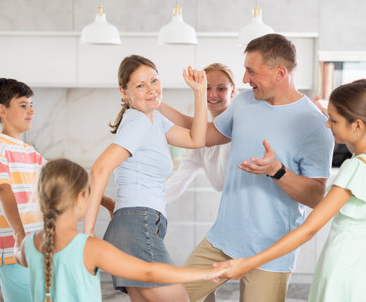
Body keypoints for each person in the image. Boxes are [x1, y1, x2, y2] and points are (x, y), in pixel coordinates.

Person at [182, 34, 335, 302]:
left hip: (270, 254)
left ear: (280, 73)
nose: (244, 79)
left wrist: (277, 170)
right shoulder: (244, 103)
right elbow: (203, 136)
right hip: (221, 241)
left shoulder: (315, 125)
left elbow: (316, 196)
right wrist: (153, 109)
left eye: (251, 71)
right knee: (170, 297)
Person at [220, 79, 366, 302]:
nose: (327, 125)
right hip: (364, 271)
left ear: (357, 125)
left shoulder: (355, 168)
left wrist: (248, 263)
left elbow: (308, 229)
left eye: (333, 121)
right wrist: (325, 112)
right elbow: (357, 143)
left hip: (341, 270)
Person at [14, 158, 229, 302]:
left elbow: (18, 255)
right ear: (81, 197)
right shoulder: (89, 248)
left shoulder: (28, 245)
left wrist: (17, 237)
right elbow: (149, 272)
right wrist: (207, 272)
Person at [83, 55, 208, 302]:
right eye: (140, 85)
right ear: (124, 92)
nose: (151, 89)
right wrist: (87, 235)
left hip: (134, 224)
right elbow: (99, 169)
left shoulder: (155, 120)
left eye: (154, 80)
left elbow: (197, 140)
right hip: (137, 225)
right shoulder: (138, 122)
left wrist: (200, 92)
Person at [0, 78, 44, 302]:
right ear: (2, 110)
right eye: (23, 105)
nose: (31, 111)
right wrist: (19, 234)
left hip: (34, 244)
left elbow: (59, 177)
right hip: (13, 248)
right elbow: (4, 191)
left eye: (31, 105)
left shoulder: (29, 152)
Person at [159, 63, 236, 202]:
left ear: (232, 91)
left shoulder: (237, 124)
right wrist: (143, 203)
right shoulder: (201, 141)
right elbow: (179, 181)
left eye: (221, 88)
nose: (213, 94)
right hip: (230, 204)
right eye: (207, 88)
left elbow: (189, 125)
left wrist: (153, 103)